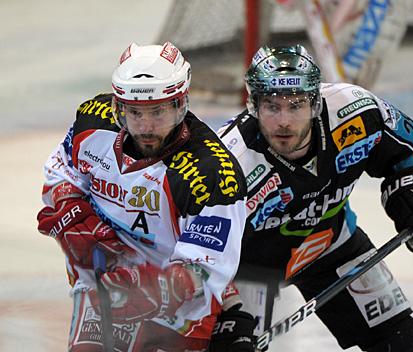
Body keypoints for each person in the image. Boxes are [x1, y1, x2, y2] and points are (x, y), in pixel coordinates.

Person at [217, 44, 413, 351]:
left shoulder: (355, 110)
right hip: (248, 271)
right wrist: (228, 308)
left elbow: (403, 150)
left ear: (315, 102)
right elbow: (200, 251)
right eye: (272, 106)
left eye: (296, 104)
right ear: (253, 106)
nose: (284, 121)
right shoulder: (229, 163)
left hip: (330, 242)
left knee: (406, 343)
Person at [36, 42, 256, 352]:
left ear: (181, 105)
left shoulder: (212, 173)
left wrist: (160, 290)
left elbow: (207, 267)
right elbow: (61, 171)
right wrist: (69, 207)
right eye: (135, 112)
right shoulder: (93, 122)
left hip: (178, 309)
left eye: (158, 111)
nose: (146, 126)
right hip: (101, 286)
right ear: (118, 107)